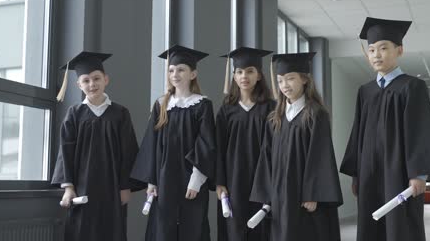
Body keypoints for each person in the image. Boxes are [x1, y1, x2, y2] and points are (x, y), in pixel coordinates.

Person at [340, 17, 430, 241]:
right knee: (371, 225)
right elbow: (358, 134)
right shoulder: (365, 91)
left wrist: (418, 174)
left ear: (399, 50)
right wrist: (356, 174)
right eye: (371, 50)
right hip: (369, 174)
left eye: (383, 48)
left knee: (401, 226)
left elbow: (421, 131)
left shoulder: (411, 86)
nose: (376, 55)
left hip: (399, 174)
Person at [250, 52, 343, 241]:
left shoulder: (316, 114)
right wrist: (268, 194)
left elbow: (321, 156)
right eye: (280, 80)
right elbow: (266, 157)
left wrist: (313, 193)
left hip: (304, 197)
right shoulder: (275, 119)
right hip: (280, 195)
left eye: (290, 79)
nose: (285, 85)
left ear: (304, 79)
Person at [131, 45, 216, 241]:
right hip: (164, 178)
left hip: (192, 177)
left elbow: (206, 143)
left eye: (181, 69)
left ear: (193, 73)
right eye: (171, 70)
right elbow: (151, 145)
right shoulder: (161, 105)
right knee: (163, 228)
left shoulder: (202, 105)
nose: (175, 74)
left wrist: (197, 180)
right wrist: (152, 180)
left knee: (192, 226)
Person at [52, 51, 139, 241]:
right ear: (78, 85)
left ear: (106, 79)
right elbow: (65, 151)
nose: (92, 84)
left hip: (112, 187)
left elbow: (128, 151)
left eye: (96, 78)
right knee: (81, 231)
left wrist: (125, 187)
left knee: (111, 231)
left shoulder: (120, 113)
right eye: (86, 80)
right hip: (82, 187)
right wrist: (69, 187)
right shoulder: (74, 113)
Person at [216, 47, 275, 241]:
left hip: (263, 178)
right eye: (239, 72)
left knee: (263, 228)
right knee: (235, 230)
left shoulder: (271, 108)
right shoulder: (226, 110)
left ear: (259, 75)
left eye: (250, 71)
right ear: (233, 76)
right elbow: (218, 148)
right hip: (234, 180)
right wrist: (220, 182)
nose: (244, 76)